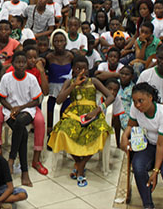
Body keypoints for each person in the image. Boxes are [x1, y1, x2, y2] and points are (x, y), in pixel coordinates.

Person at [48, 55, 115, 187]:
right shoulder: (69, 82)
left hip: (92, 113)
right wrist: (74, 85)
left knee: (102, 132)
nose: (81, 71)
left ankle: (81, 164)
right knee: (62, 132)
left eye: (84, 68)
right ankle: (79, 163)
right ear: (73, 69)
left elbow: (110, 96)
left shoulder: (94, 81)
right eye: (78, 68)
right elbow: (59, 100)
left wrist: (98, 109)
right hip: (74, 114)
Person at [121, 82, 163, 209]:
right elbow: (131, 124)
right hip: (150, 143)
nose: (137, 105)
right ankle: (148, 205)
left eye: (141, 101)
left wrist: (155, 171)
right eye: (135, 101)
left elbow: (161, 145)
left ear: (150, 97)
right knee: (138, 166)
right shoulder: (135, 108)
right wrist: (124, 137)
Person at [0, 50, 44, 187]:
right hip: (9, 110)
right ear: (12, 64)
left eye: (23, 62)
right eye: (18, 62)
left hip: (27, 110)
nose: (21, 65)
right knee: (23, 133)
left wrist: (20, 108)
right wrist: (12, 108)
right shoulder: (6, 78)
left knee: (20, 122)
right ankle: (24, 172)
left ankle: (11, 159)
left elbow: (36, 101)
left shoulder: (31, 79)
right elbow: (2, 99)